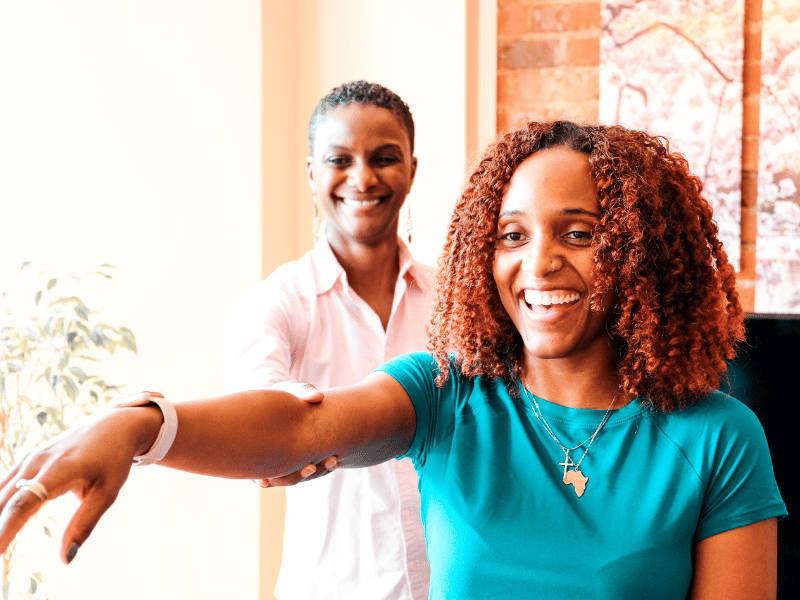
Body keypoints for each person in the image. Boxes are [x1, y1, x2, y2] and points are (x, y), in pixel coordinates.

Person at [0, 120, 786, 600]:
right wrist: (143, 425)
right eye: (511, 235)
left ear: (643, 255)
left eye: (578, 233)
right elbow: (300, 423)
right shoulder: (449, 394)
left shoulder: (719, 438)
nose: (537, 264)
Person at [220, 80, 432, 599]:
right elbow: (260, 420)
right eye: (341, 159)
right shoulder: (277, 304)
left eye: (384, 157)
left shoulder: (454, 298)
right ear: (313, 173)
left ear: (411, 169)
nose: (363, 178)